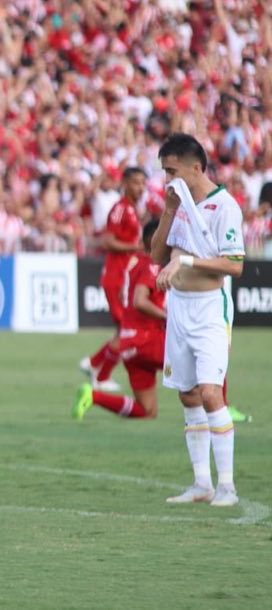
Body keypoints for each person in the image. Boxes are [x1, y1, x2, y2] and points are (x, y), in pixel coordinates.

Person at [151, 134, 244, 507]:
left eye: (172, 170)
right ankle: (201, 483)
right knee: (188, 393)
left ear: (195, 167)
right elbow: (158, 253)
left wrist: (186, 261)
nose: (166, 178)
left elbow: (234, 265)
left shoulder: (224, 206)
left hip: (209, 308)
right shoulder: (179, 204)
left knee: (210, 392)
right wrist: (168, 211)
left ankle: (228, 487)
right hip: (179, 307)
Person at [73, 220, 164, 420]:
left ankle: (93, 396)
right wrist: (167, 316)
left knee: (147, 411)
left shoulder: (137, 263)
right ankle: (220, 410)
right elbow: (140, 301)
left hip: (130, 346)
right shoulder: (152, 266)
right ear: (155, 239)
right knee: (199, 361)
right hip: (149, 342)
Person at [80, 167, 147, 392]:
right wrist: (136, 247)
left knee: (123, 330)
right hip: (116, 277)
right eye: (136, 182)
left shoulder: (132, 209)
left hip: (124, 277)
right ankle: (101, 377)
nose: (141, 188)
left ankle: (93, 363)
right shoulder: (119, 209)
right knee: (128, 330)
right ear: (125, 183)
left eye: (142, 183)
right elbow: (107, 241)